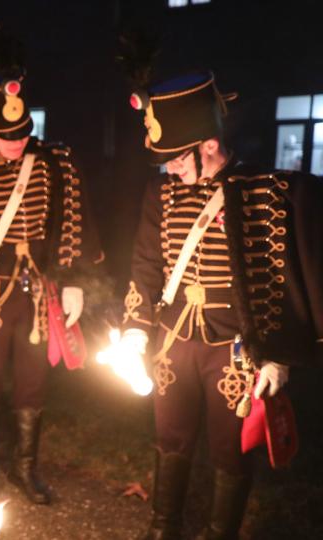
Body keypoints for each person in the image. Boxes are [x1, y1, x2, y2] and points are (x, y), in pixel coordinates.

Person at [114, 69, 323, 539]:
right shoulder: (161, 192)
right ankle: (163, 529)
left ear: (207, 143)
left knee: (230, 451)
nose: (169, 168)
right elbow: (146, 263)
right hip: (172, 341)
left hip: (233, 349)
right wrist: (134, 330)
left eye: (175, 158)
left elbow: (278, 275)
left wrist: (276, 354)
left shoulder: (261, 191)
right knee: (170, 440)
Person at [0, 30, 102, 504]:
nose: (17, 142)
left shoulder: (52, 164)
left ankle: (25, 469)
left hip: (38, 291)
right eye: (7, 136)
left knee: (32, 383)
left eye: (23, 133)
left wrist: (70, 283)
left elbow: (69, 222)